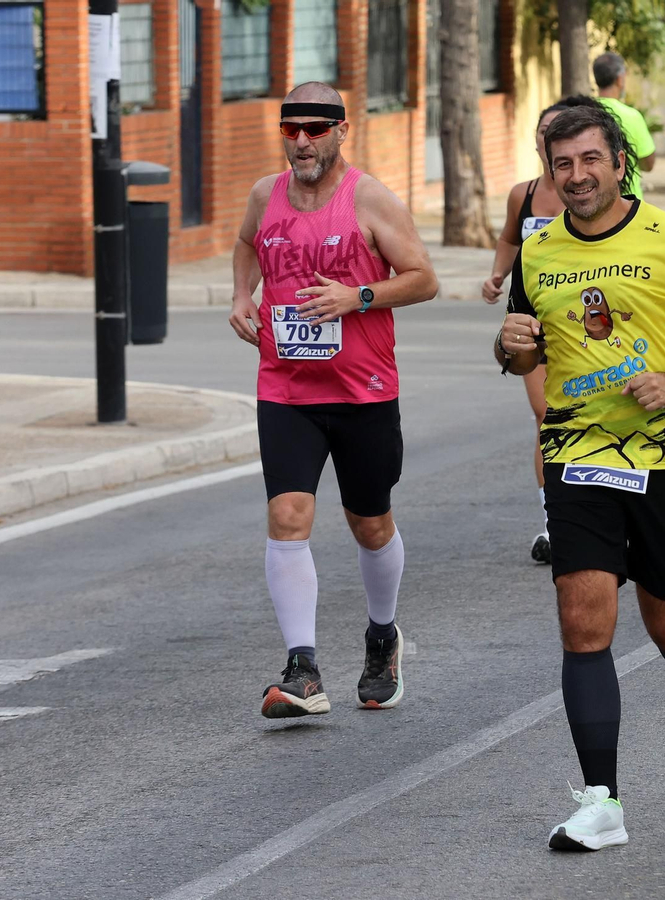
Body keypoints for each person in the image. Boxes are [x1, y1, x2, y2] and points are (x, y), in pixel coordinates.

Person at [494, 106, 665, 851]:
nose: (576, 176)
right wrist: (510, 347)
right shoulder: (537, 251)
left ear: (619, 162)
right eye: (561, 164)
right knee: (584, 622)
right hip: (576, 453)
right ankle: (603, 801)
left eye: (589, 160)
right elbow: (522, 352)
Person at [228, 82, 439, 718]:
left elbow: (424, 278)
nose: (301, 142)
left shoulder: (369, 199)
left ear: (341, 131)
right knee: (288, 515)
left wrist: (359, 297)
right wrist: (243, 296)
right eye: (291, 130)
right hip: (286, 386)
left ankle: (382, 637)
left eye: (315, 130)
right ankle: (303, 669)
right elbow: (245, 245)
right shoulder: (266, 195)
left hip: (363, 390)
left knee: (369, 521)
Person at [482, 94, 609, 565]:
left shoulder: (599, 186)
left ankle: (606, 505)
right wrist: (497, 275)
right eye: (545, 136)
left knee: (594, 411)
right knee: (546, 414)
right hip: (537, 319)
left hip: (591, 320)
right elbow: (509, 239)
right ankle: (555, 520)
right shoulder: (526, 193)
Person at [592, 52, 656, 196]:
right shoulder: (632, 116)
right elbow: (649, 163)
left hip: (592, 201)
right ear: (620, 80)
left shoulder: (584, 111)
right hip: (629, 202)